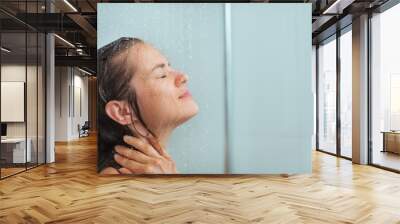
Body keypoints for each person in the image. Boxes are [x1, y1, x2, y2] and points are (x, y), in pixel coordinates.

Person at [97, 37, 199, 174]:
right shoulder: (113, 175)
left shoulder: (160, 169)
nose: (184, 77)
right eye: (162, 75)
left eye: (170, 67)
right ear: (122, 112)